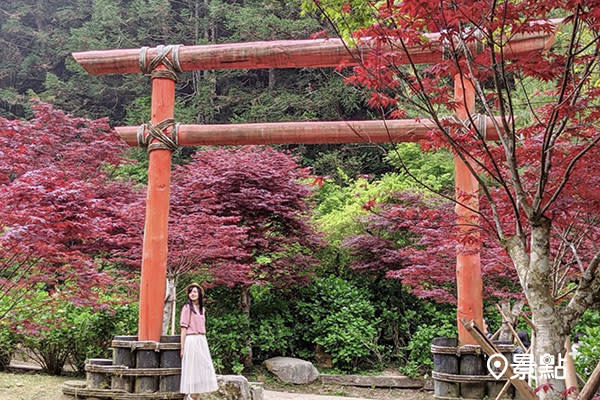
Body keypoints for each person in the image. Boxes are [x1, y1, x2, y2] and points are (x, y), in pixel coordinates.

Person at [180, 283, 219, 399]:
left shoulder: (202, 309)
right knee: (191, 370)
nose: (192, 294)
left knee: (202, 368)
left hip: (202, 340)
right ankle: (189, 396)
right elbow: (183, 329)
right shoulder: (187, 308)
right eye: (191, 292)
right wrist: (182, 348)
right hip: (191, 340)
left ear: (199, 294)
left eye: (195, 292)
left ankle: (194, 396)